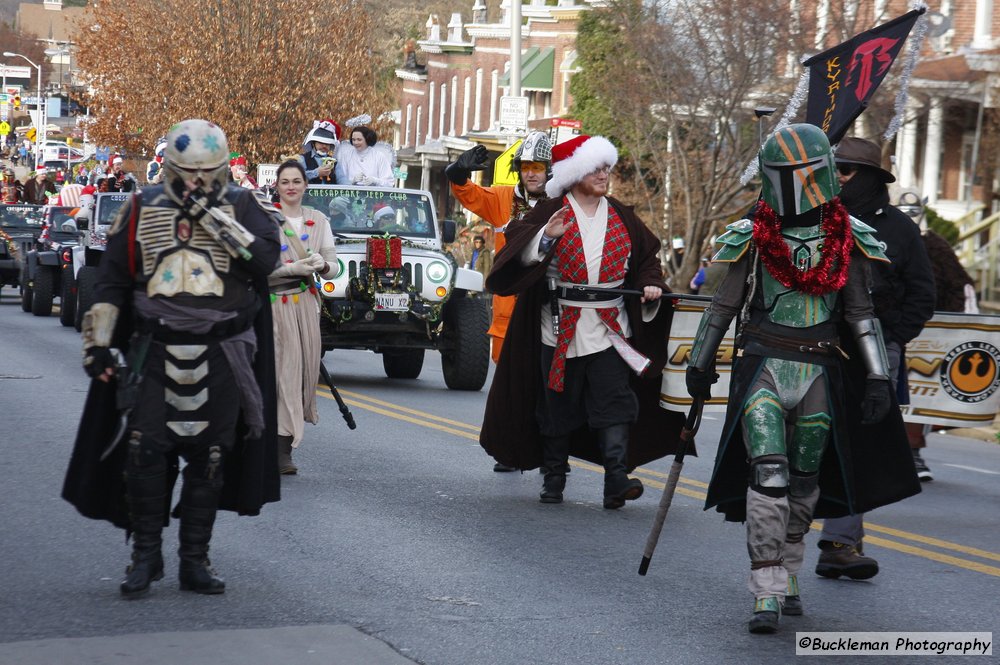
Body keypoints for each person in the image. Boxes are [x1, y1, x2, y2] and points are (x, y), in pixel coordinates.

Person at [686, 124, 921, 634]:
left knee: (804, 479)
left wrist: (879, 377)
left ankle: (788, 569)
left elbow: (862, 313)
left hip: (820, 367)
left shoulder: (851, 236)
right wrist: (698, 362)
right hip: (765, 364)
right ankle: (766, 587)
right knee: (768, 473)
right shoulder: (752, 231)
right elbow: (723, 304)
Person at [61, 119, 283, 599]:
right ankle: (145, 556)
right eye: (187, 172)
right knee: (144, 450)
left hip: (224, 351)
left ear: (222, 168)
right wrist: (97, 344)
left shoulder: (244, 204)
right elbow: (113, 278)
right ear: (170, 165)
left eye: (206, 173)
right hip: (154, 348)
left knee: (212, 455)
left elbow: (267, 260)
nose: (196, 182)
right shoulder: (140, 206)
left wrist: (218, 220)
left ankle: (194, 560)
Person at [480, 134, 685, 507]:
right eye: (595, 168)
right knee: (558, 405)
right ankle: (554, 476)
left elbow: (646, 262)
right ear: (575, 174)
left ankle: (617, 479)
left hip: (610, 328)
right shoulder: (549, 211)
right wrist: (545, 237)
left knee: (615, 401)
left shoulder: (623, 214)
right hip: (557, 327)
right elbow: (515, 255)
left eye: (606, 167)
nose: (604, 174)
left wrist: (652, 285)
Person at [814, 136, 935, 581]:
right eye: (834, 169)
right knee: (805, 437)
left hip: (872, 350)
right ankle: (783, 542)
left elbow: (922, 294)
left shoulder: (900, 228)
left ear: (866, 177)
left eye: (845, 171)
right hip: (817, 340)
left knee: (861, 443)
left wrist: (892, 341)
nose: (838, 178)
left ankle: (840, 543)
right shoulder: (813, 216)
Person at [269, 160, 337, 474]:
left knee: (303, 376)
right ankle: (281, 451)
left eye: (297, 181)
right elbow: (256, 266)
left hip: (306, 305)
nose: (292, 186)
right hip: (273, 304)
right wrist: (289, 269)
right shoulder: (265, 219)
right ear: (277, 186)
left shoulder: (318, 219)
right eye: (285, 182)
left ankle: (283, 443)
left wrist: (322, 265)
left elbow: (334, 266)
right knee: (283, 374)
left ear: (305, 185)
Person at [300, 119, 341, 184]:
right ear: (313, 143)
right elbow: (296, 177)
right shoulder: (302, 159)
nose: (324, 146)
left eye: (327, 144)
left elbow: (342, 179)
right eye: (321, 143)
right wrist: (316, 173)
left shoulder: (335, 162)